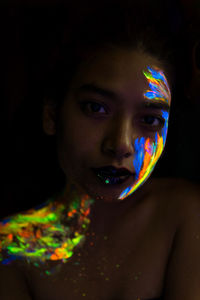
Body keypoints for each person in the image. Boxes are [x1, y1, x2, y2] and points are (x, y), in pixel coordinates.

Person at [1, 0, 200, 299]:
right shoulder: (13, 248)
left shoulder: (185, 214)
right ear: (52, 114)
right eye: (96, 108)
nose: (120, 145)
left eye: (149, 120)